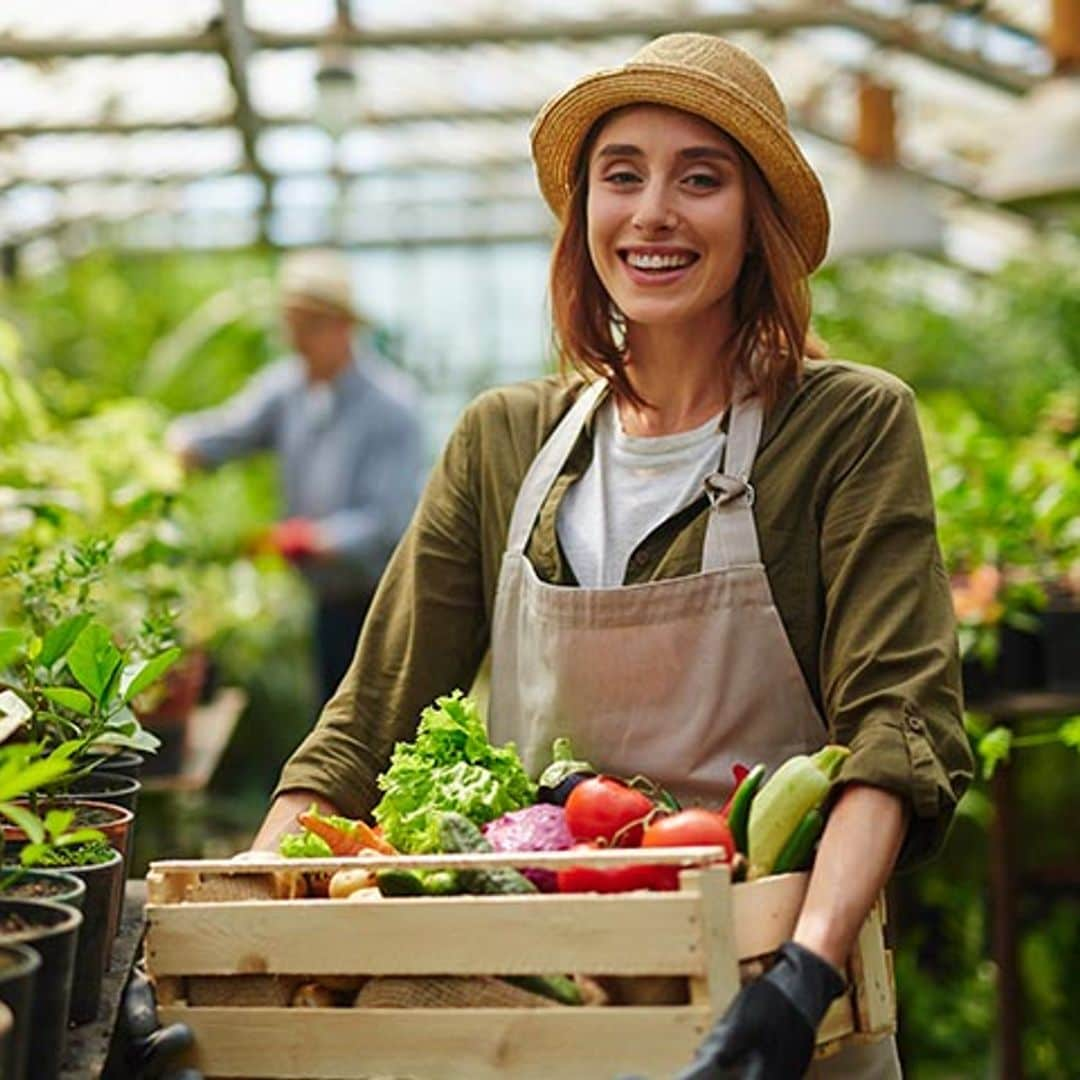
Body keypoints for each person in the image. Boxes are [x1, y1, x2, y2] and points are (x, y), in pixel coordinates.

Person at [251, 35, 973, 1078]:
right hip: (537, 1011)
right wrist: (239, 917)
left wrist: (805, 975)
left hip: (775, 1008)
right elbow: (365, 724)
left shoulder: (845, 428)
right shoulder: (503, 443)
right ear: (583, 211)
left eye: (701, 178)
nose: (653, 214)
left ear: (755, 218)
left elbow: (896, 729)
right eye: (620, 174)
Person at [167, 249, 424, 705]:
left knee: (379, 717)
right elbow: (229, 433)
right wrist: (173, 445)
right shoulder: (287, 390)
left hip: (382, 601)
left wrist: (313, 539)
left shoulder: (392, 406)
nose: (297, 340)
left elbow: (389, 518)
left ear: (344, 327)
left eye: (309, 326)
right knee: (333, 709)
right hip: (327, 598)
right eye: (291, 325)